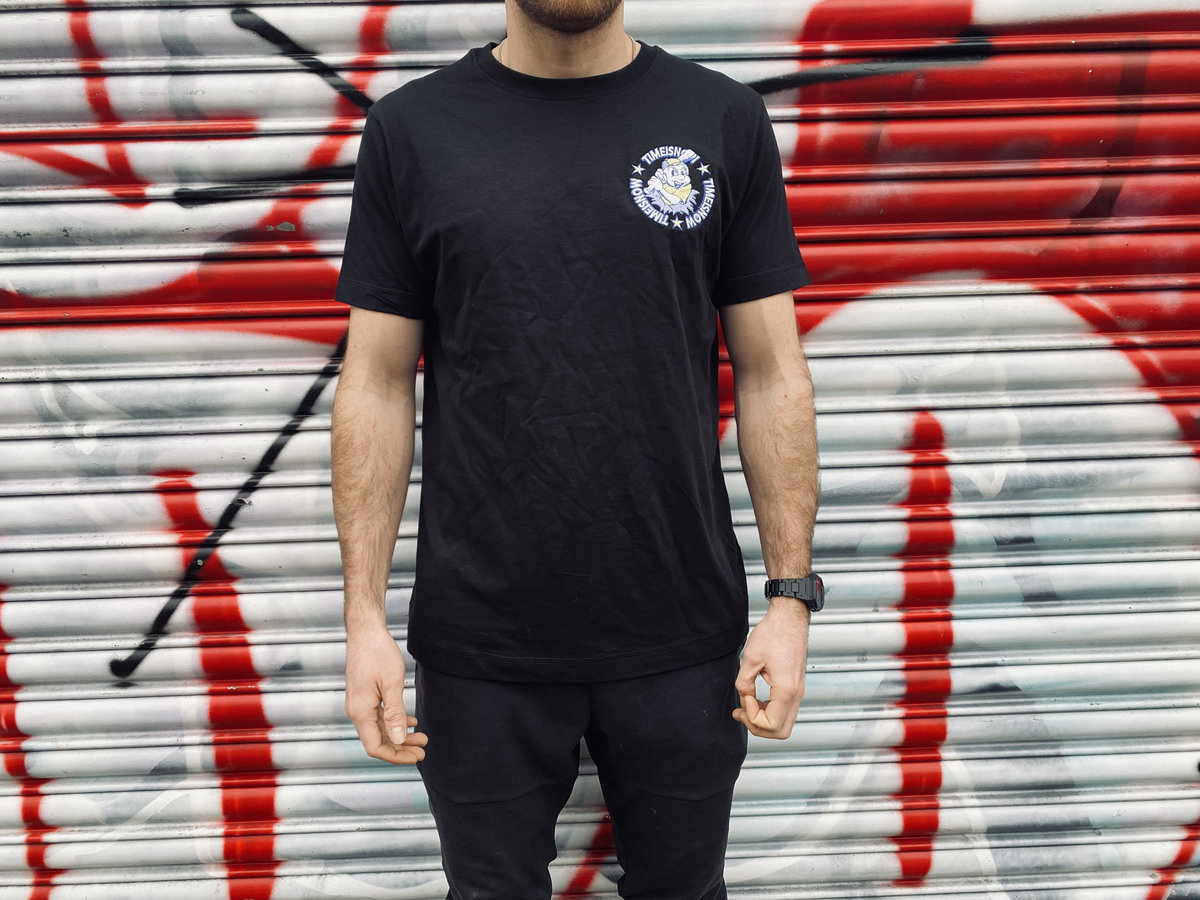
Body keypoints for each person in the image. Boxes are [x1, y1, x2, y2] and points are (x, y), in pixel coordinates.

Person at [331, 0, 821, 896]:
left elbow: (772, 372)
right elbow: (375, 383)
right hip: (481, 642)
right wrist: (365, 620)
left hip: (681, 632)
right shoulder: (413, 130)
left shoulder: (720, 118)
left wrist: (790, 600)